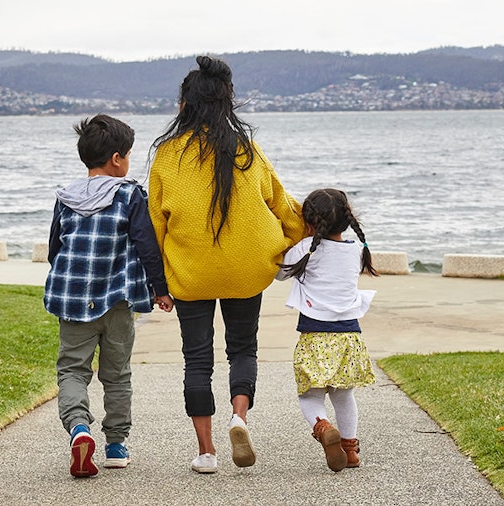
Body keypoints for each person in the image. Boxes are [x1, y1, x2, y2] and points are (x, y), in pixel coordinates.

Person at [147, 55, 307, 474]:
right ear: (225, 103)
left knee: (196, 359)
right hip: (244, 271)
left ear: (186, 104)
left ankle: (206, 452)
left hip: (189, 273)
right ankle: (240, 418)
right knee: (243, 347)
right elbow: (283, 205)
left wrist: (158, 283)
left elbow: (155, 224)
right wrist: (295, 239)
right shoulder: (246, 149)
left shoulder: (166, 155)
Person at [44, 114, 174, 478]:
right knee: (117, 374)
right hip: (117, 302)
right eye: (128, 155)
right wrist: (159, 290)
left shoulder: (66, 197)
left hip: (72, 302)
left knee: (72, 369)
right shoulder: (129, 195)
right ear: (117, 158)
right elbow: (146, 246)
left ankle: (79, 429)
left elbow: (56, 248)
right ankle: (116, 445)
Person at [275, 188, 379, 472]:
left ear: (308, 222)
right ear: (347, 220)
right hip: (349, 336)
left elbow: (280, 273)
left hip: (315, 336)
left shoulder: (304, 251)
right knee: (344, 395)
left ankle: (322, 427)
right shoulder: (357, 251)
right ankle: (350, 449)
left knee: (310, 395)